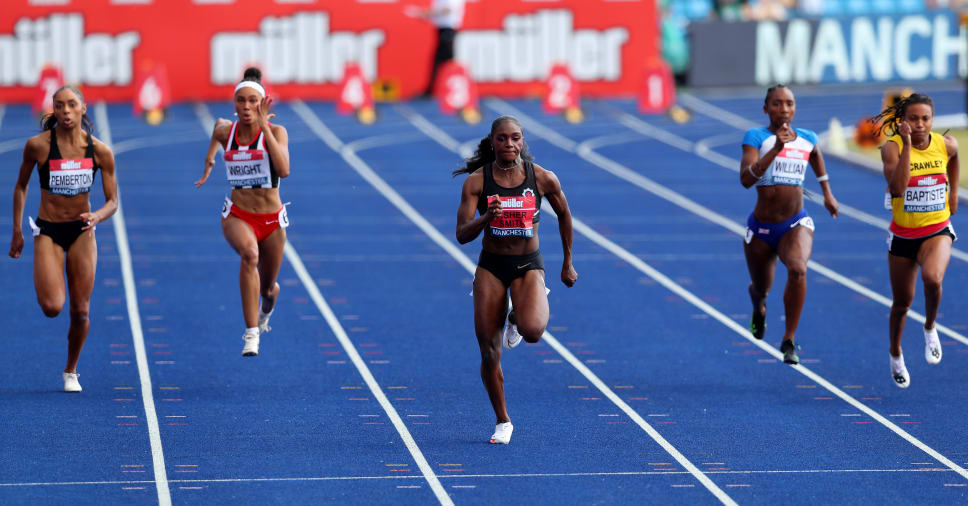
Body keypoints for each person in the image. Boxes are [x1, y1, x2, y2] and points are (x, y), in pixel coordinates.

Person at [454, 116, 577, 444]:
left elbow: (565, 214)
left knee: (533, 331)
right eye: (502, 139)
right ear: (492, 142)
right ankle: (503, 420)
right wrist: (485, 218)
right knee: (489, 351)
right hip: (492, 267)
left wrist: (567, 263)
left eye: (515, 138)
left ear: (523, 142)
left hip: (528, 265)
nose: (509, 144)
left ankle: (514, 315)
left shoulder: (543, 178)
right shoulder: (477, 183)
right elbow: (461, 235)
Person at [9, 85, 118, 392]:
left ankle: (71, 370)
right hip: (49, 230)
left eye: (72, 105)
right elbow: (20, 187)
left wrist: (97, 216)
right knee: (52, 306)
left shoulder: (100, 151)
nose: (66, 111)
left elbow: (113, 202)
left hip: (83, 231)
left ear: (83, 108)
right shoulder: (38, 146)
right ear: (53, 110)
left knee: (81, 310)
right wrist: (17, 230)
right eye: (59, 106)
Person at [739, 84, 838, 365]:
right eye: (777, 104)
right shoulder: (755, 137)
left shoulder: (807, 138)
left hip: (795, 224)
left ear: (795, 108)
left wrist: (827, 193)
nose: (783, 109)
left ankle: (789, 339)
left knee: (798, 269)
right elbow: (746, 180)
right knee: (762, 286)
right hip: (761, 228)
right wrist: (777, 149)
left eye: (789, 104)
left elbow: (816, 156)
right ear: (766, 109)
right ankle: (758, 303)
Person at [196, 67, 290, 357]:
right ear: (234, 103)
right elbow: (217, 130)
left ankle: (266, 307)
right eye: (241, 101)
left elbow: (284, 170)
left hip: (271, 220)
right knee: (249, 254)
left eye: (253, 101)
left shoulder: (275, 131)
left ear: (263, 103)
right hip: (238, 215)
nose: (246, 106)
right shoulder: (227, 131)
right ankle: (251, 334)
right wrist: (210, 159)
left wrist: (263, 126)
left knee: (269, 287)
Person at [873, 93, 959, 388]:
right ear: (903, 122)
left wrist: (954, 193)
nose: (920, 124)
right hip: (903, 236)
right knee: (902, 303)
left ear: (932, 120)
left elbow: (955, 158)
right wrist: (908, 145)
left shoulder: (945, 144)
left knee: (933, 279)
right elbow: (897, 188)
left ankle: (930, 327)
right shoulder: (892, 149)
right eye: (913, 119)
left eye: (925, 118)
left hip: (937, 229)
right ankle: (895, 353)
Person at [406, 0, 465, 98]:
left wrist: (427, 13)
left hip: (448, 29)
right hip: (442, 29)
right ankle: (436, 90)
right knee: (440, 61)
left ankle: (453, 92)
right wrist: (427, 15)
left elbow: (447, 10)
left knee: (447, 61)